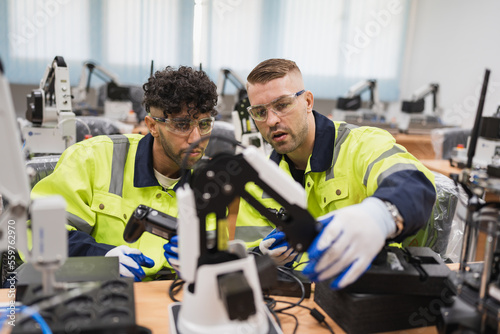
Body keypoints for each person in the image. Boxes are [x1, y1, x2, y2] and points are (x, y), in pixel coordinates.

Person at [235, 58, 436, 289]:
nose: (271, 120)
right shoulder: (258, 180)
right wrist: (262, 258)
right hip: (297, 299)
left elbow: (414, 183)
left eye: (282, 105)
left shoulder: (362, 145)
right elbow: (246, 255)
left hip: (365, 289)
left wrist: (379, 215)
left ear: (307, 101)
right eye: (260, 112)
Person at [30, 66, 218, 281]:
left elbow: (215, 255)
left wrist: (198, 265)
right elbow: (42, 232)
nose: (197, 138)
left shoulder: (212, 183)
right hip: (90, 290)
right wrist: (102, 258)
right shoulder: (92, 157)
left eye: (204, 124)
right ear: (152, 126)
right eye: (182, 125)